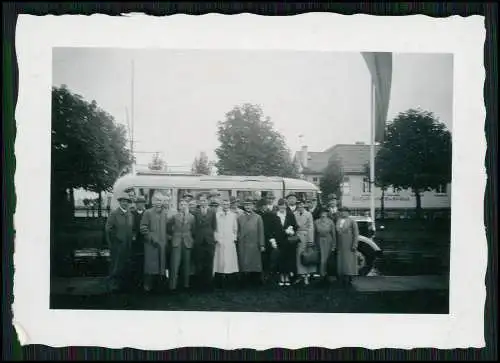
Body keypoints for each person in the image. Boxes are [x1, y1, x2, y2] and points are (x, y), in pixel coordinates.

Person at [104, 193, 134, 293]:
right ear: (120, 202)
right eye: (123, 201)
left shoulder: (130, 214)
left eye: (127, 201)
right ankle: (112, 286)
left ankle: (122, 287)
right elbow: (108, 229)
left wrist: (132, 236)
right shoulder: (114, 214)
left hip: (128, 245)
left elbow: (131, 228)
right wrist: (113, 241)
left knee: (125, 265)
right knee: (115, 265)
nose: (125, 203)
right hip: (117, 245)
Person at [140, 195, 170, 292]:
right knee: (150, 266)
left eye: (160, 200)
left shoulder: (165, 213)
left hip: (162, 243)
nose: (158, 202)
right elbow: (143, 228)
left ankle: (159, 287)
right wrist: (151, 238)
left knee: (161, 266)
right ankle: (147, 285)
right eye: (157, 200)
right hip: (150, 244)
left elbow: (167, 228)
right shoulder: (147, 212)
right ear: (153, 202)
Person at [168, 199, 196, 292]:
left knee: (187, 264)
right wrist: (172, 236)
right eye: (181, 204)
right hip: (176, 241)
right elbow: (168, 227)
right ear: (179, 206)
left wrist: (190, 238)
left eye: (185, 204)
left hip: (187, 242)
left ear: (187, 206)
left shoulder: (192, 217)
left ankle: (186, 285)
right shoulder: (174, 216)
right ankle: (172, 286)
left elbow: (193, 229)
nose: (183, 206)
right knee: (175, 264)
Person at [236, 198, 266, 287]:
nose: (248, 207)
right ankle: (244, 282)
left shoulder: (258, 217)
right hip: (243, 243)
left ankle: (255, 281)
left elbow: (261, 232)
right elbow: (237, 230)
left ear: (253, 206)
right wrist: (238, 238)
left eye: (249, 205)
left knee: (255, 263)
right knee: (244, 263)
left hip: (254, 243)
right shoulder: (240, 217)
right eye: (246, 205)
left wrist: (262, 244)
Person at [193, 193, 218, 291]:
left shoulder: (212, 212)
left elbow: (214, 226)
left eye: (204, 200)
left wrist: (211, 237)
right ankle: (199, 285)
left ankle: (208, 285)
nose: (203, 202)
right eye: (201, 201)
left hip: (209, 241)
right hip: (199, 241)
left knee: (209, 263)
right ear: (199, 202)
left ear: (207, 201)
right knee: (199, 263)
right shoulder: (196, 212)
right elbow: (194, 227)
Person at [213, 199, 239, 288]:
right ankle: (219, 281)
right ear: (221, 205)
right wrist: (217, 239)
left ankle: (229, 281)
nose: (226, 206)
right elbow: (215, 228)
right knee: (219, 262)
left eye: (227, 204)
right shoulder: (217, 215)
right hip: (220, 241)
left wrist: (233, 239)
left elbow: (235, 229)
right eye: (224, 204)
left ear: (229, 205)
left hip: (229, 241)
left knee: (229, 261)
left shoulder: (233, 215)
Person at [275, 198, 298, 286]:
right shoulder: (275, 215)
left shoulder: (290, 215)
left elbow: (295, 226)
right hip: (279, 240)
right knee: (280, 259)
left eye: (284, 205)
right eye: (281, 205)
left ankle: (287, 277)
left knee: (288, 259)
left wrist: (291, 230)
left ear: (286, 206)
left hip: (288, 241)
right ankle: (281, 277)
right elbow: (273, 228)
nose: (282, 207)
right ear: (278, 206)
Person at [259, 193, 282, 283]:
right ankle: (264, 275)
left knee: (273, 258)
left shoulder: (276, 208)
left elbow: (278, 225)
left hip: (274, 236)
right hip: (264, 236)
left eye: (272, 198)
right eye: (269, 198)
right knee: (264, 257)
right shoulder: (261, 212)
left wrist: (275, 238)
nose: (270, 200)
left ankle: (271, 275)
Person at [294, 199, 317, 285]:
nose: (300, 207)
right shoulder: (294, 214)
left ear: (304, 205)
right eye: (298, 206)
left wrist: (310, 240)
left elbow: (311, 227)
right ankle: (300, 275)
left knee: (306, 257)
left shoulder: (308, 214)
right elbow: (293, 225)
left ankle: (306, 276)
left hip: (306, 237)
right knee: (299, 257)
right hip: (297, 238)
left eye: (302, 205)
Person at [335, 207, 359, 288]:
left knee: (349, 261)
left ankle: (350, 277)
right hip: (340, 244)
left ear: (348, 213)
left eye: (345, 212)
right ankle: (343, 276)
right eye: (341, 211)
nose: (343, 213)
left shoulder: (352, 221)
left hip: (349, 243)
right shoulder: (338, 220)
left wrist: (354, 244)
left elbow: (356, 234)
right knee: (342, 260)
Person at [315, 208, 337, 283]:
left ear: (327, 214)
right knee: (321, 259)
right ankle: (322, 274)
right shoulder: (316, 221)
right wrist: (315, 243)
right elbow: (315, 233)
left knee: (327, 258)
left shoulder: (330, 222)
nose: (323, 214)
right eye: (322, 213)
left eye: (325, 212)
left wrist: (334, 245)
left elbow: (333, 234)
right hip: (319, 240)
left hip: (328, 240)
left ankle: (327, 274)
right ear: (320, 214)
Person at [130, 195, 147, 291]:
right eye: (138, 203)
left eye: (141, 203)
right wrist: (133, 234)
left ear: (144, 204)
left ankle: (143, 282)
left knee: (144, 262)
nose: (140, 205)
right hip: (134, 242)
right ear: (136, 204)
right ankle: (135, 283)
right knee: (134, 262)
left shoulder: (147, 213)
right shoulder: (131, 213)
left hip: (144, 241)